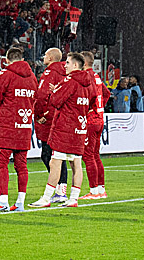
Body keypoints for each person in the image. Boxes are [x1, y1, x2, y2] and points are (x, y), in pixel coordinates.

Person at [30, 52, 91, 208]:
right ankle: (73, 198)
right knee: (76, 163)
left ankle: (46, 197)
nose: (65, 66)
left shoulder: (69, 81)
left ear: (75, 65)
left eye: (68, 63)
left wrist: (55, 91)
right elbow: (91, 103)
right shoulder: (88, 83)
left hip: (66, 128)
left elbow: (56, 101)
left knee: (55, 162)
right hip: (80, 127)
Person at [0, 46, 36, 212]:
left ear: (7, 60)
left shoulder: (6, 74)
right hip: (25, 125)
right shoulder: (32, 77)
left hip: (7, 125)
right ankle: (20, 202)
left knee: (1, 164)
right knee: (21, 165)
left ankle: (3, 201)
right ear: (22, 59)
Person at [33, 47, 69, 201]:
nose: (44, 58)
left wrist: (39, 114)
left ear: (51, 58)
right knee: (61, 155)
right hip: (64, 116)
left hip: (50, 118)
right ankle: (63, 189)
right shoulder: (67, 72)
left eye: (46, 55)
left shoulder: (50, 72)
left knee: (48, 154)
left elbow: (42, 95)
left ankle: (59, 190)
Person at [79, 50, 111, 200]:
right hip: (99, 120)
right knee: (95, 155)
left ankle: (93, 191)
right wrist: (99, 108)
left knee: (88, 156)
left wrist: (90, 109)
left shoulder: (85, 77)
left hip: (90, 121)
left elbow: (89, 96)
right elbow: (106, 93)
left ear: (83, 63)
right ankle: (100, 189)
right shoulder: (96, 76)